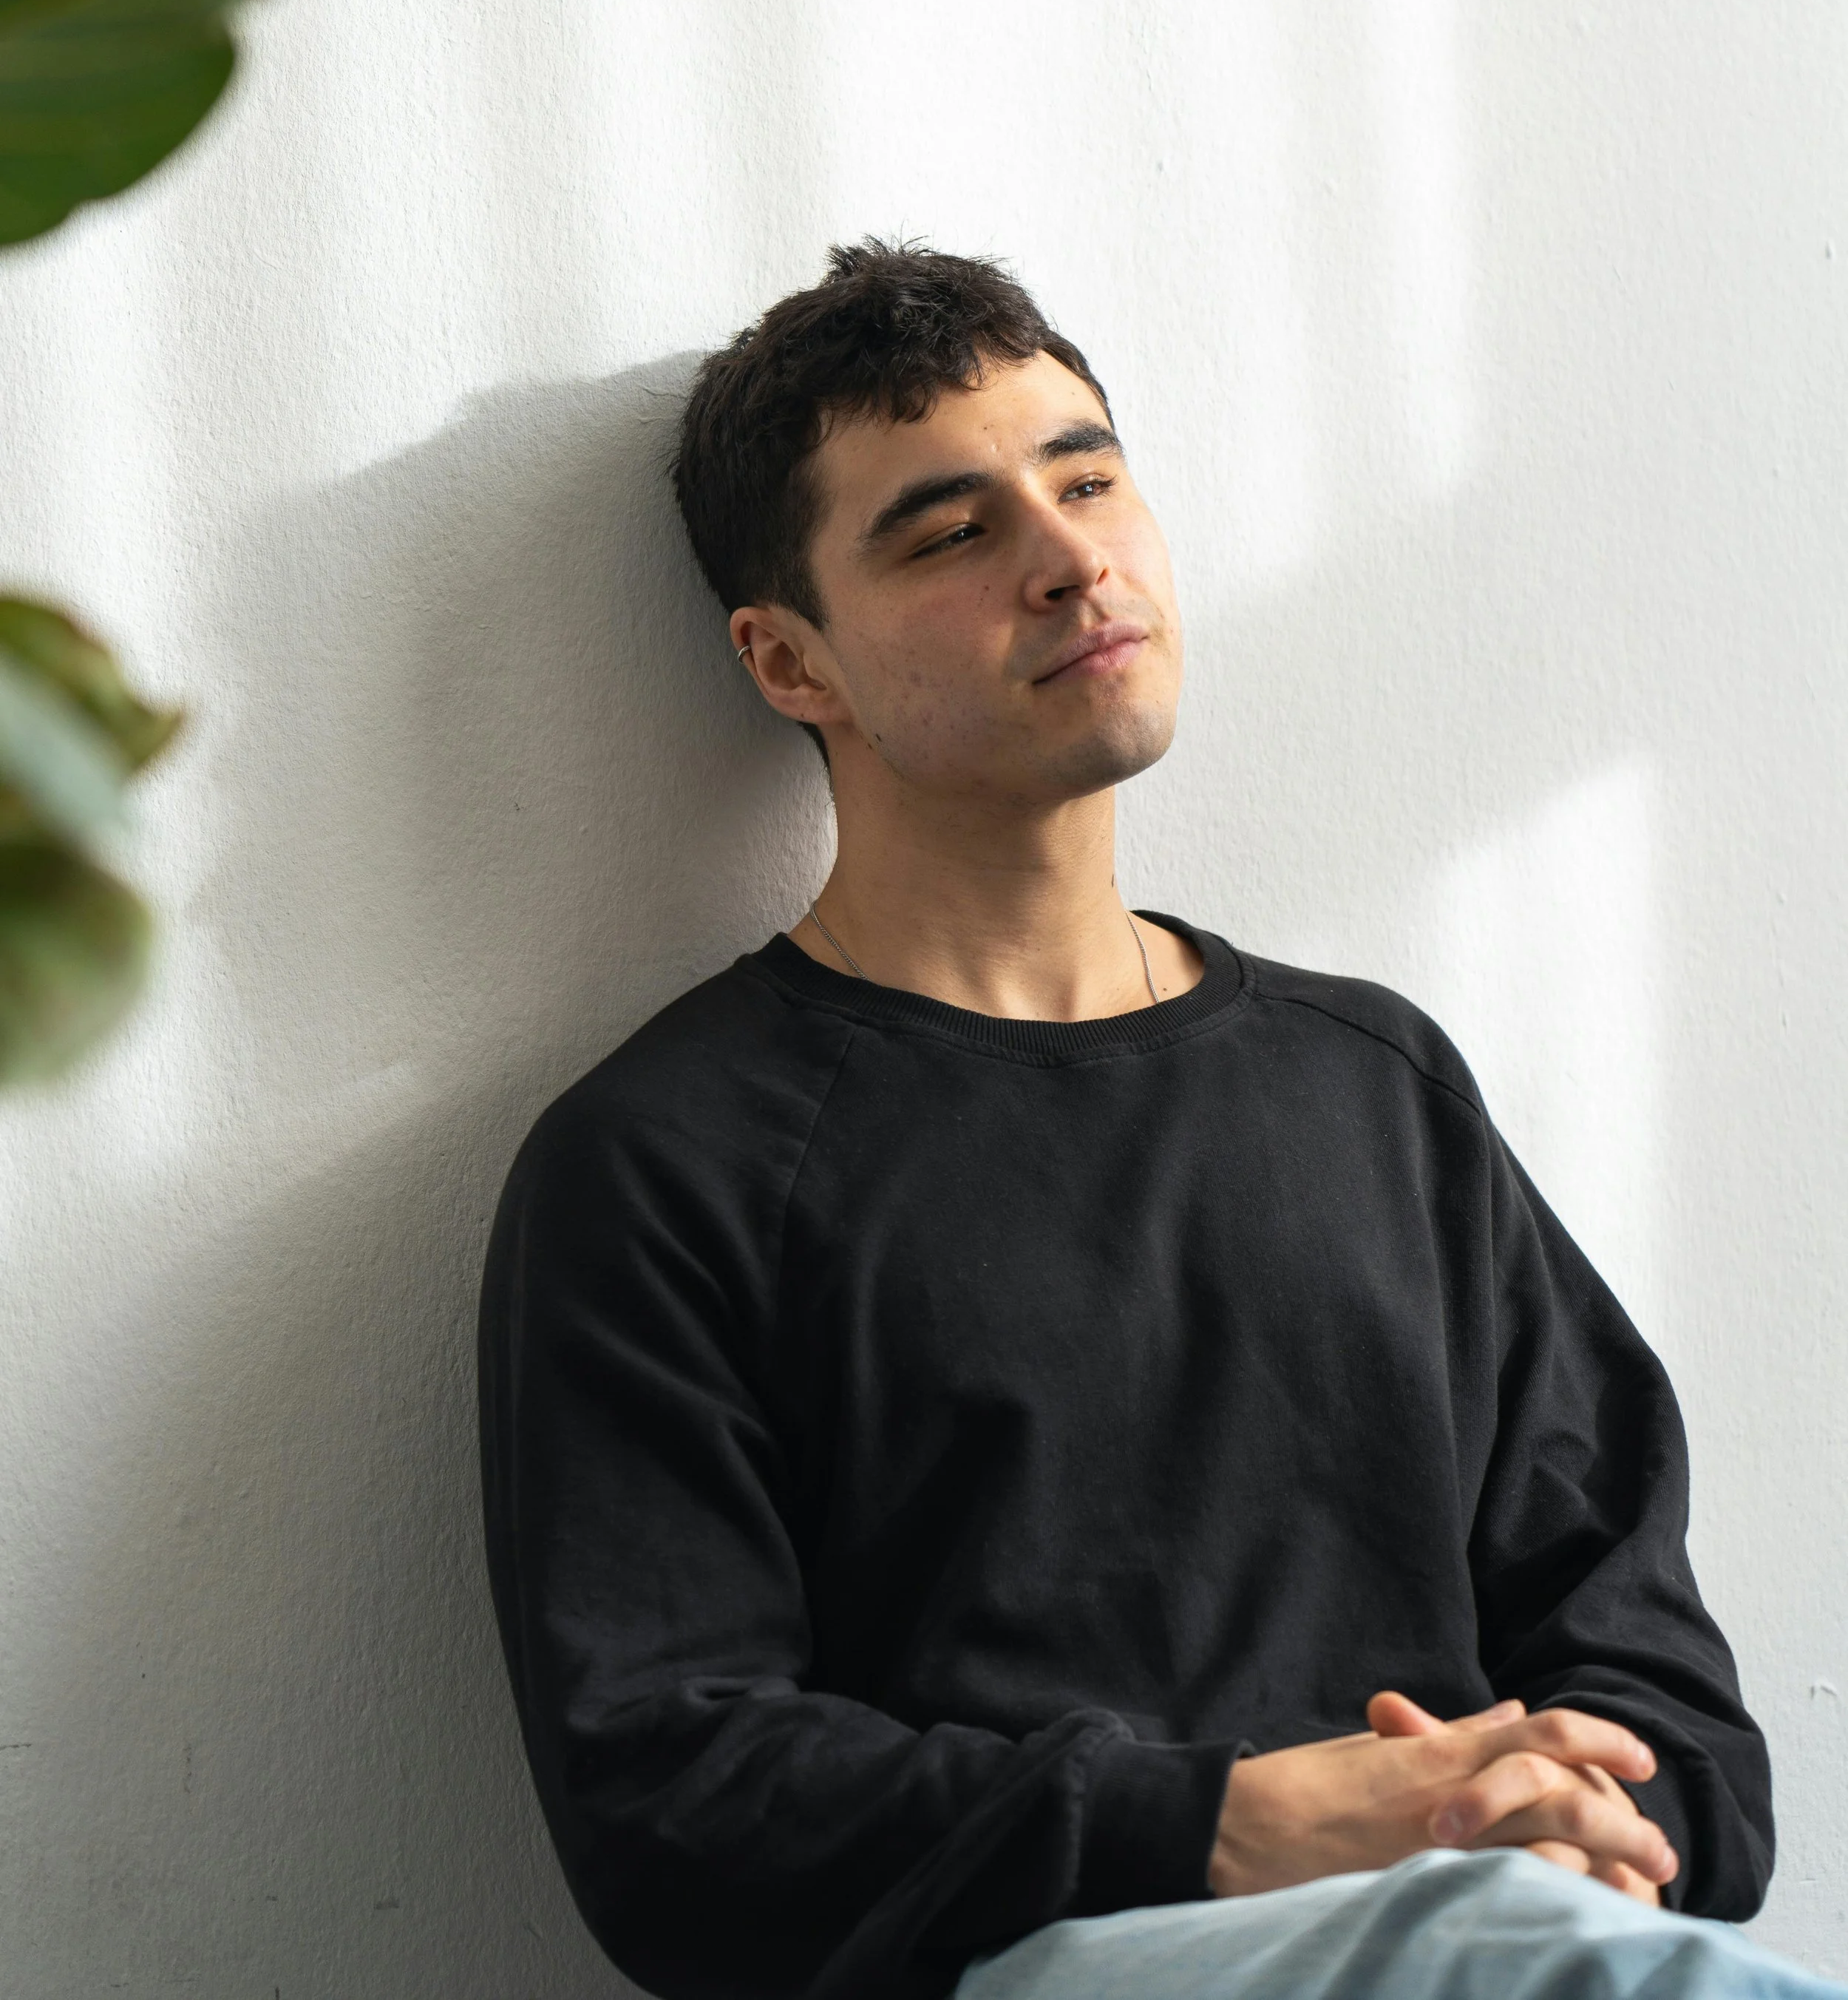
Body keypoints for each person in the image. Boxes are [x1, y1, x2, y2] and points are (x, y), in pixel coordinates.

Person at [478, 243, 1825, 2000]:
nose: (1070, 559)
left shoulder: (1376, 1087)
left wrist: (1594, 1825)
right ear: (787, 660)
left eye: (1090, 475)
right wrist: (1239, 1823)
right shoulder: (665, 1165)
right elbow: (674, 1805)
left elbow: (1645, 1663)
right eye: (950, 533)